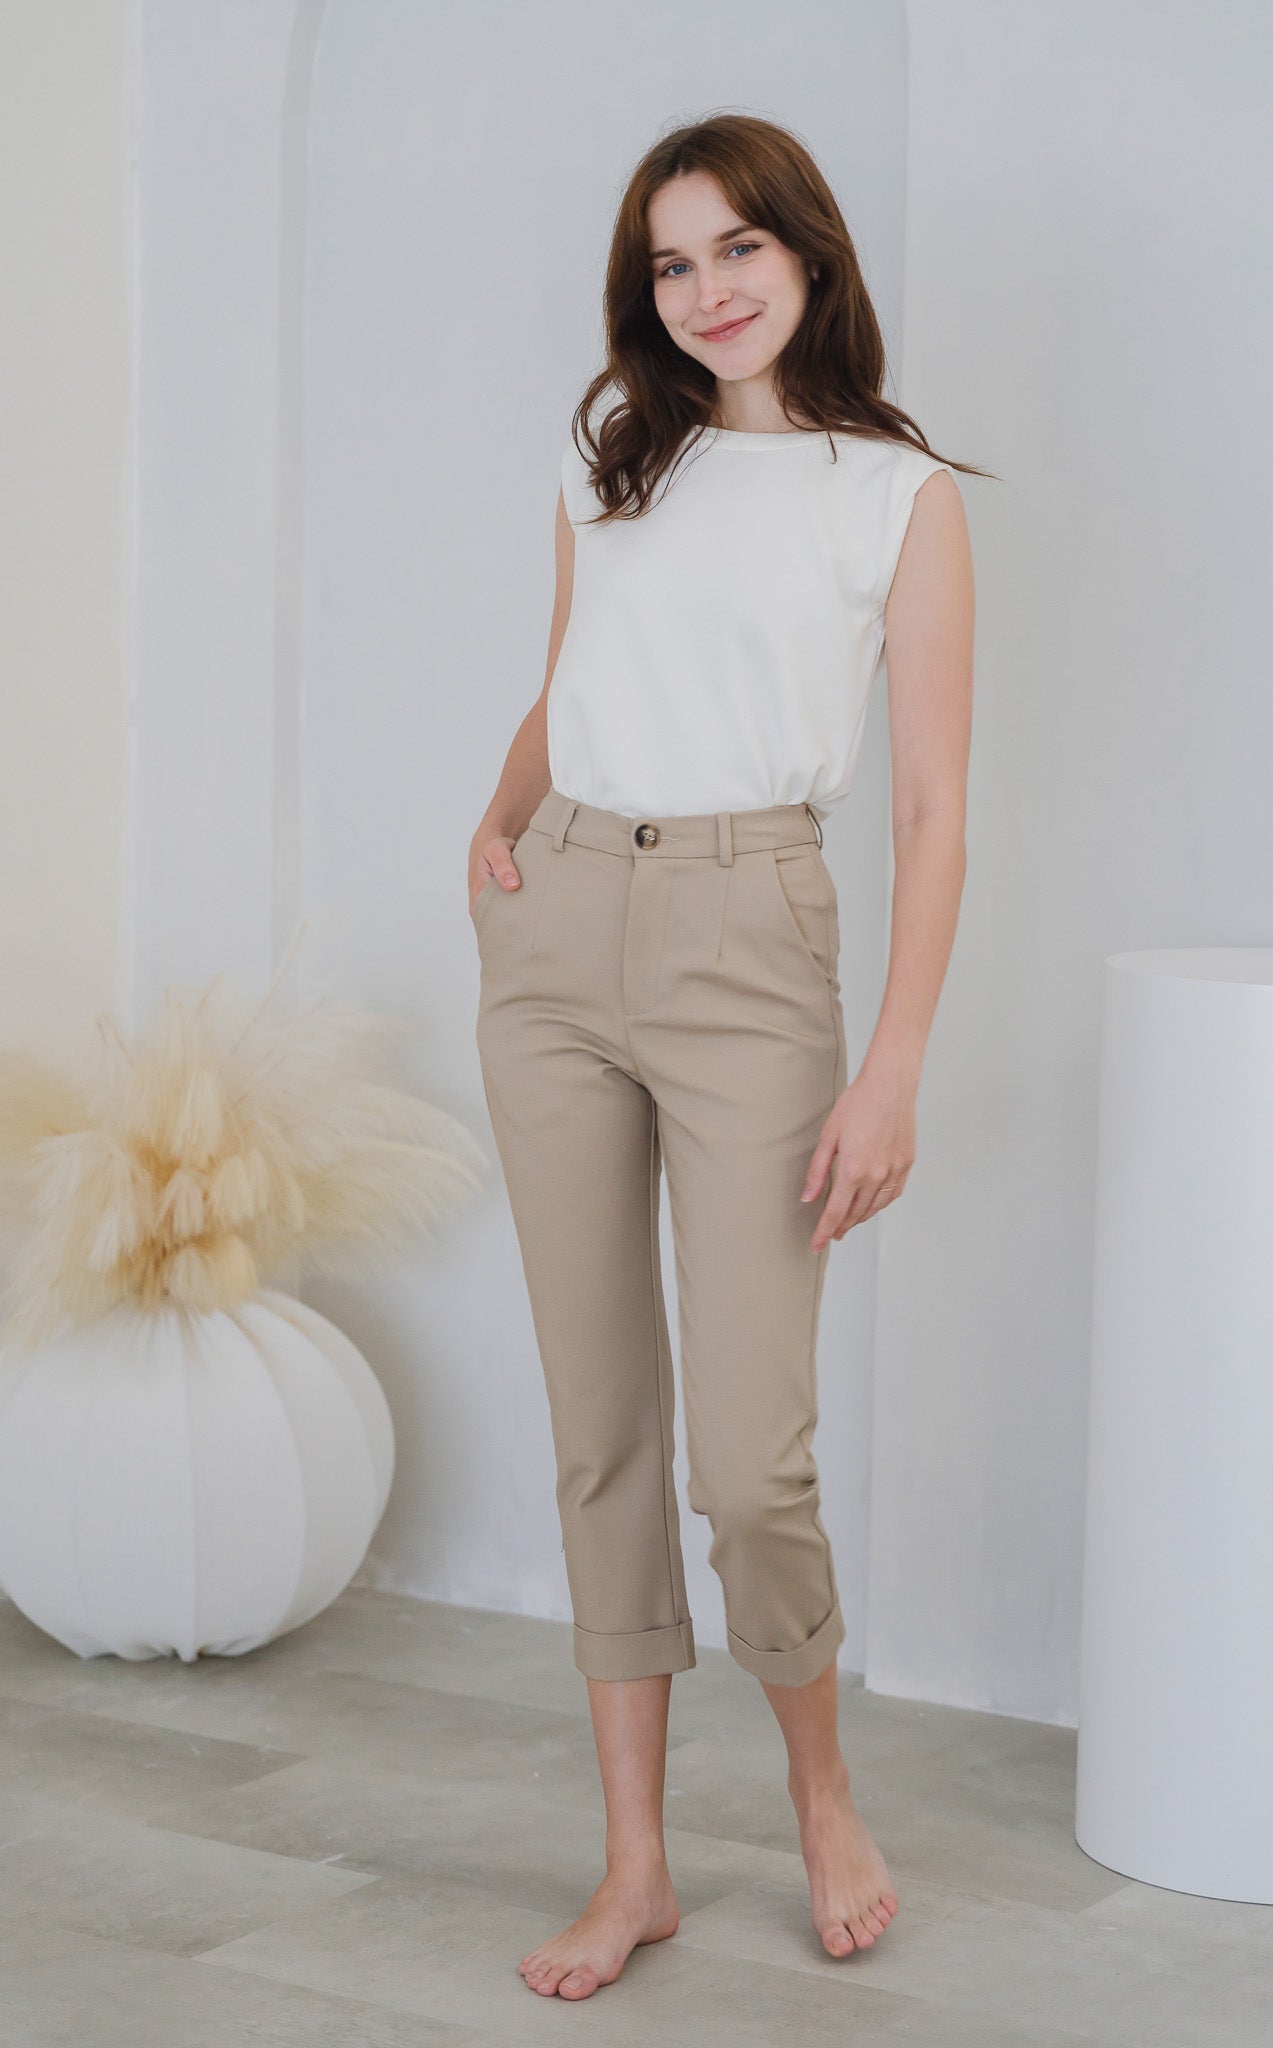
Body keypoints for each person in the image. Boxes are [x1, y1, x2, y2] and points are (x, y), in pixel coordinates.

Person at [468, 112, 978, 2001]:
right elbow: (567, 677)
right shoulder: (613, 447)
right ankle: (635, 1869)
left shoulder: (893, 494)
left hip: (753, 940)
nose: (706, 291)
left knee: (751, 1463)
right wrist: (493, 827)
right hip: (557, 927)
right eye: (671, 264)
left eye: (737, 248)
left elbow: (929, 810)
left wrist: (892, 1067)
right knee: (601, 1426)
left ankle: (821, 1793)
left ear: (808, 253)